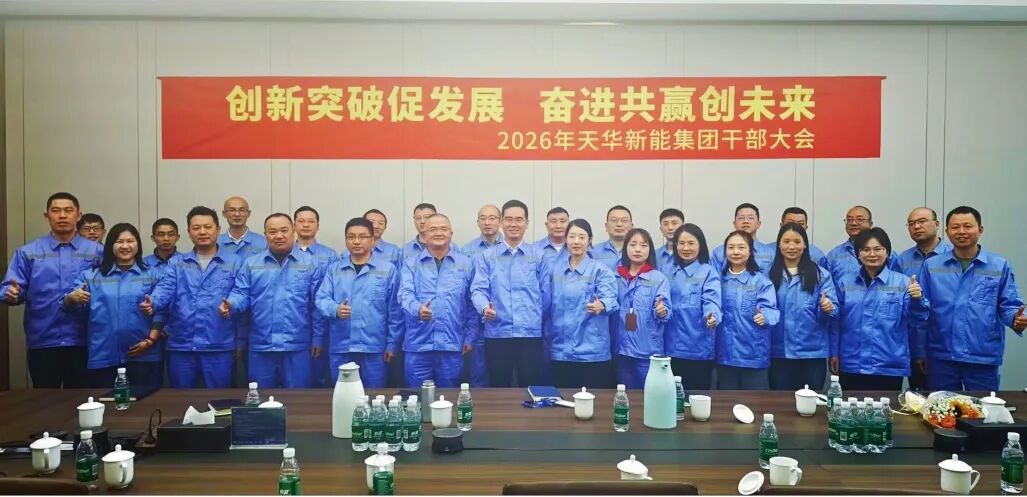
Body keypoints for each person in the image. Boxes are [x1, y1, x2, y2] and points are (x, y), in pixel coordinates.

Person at [917, 206, 1025, 391]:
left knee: (983, 406)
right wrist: (920, 351)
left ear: (980, 230)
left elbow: (1009, 305)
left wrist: (1016, 319)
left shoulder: (998, 266)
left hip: (982, 355)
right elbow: (920, 311)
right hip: (941, 355)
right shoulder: (932, 266)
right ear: (947, 232)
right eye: (955, 227)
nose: (961, 231)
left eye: (967, 226)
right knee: (940, 406)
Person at [2, 192, 102, 388]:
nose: (62, 215)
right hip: (43, 340)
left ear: (78, 215)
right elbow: (12, 287)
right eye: (56, 211)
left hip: (84, 339)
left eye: (68, 210)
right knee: (45, 399)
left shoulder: (96, 252)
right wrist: (11, 294)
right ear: (47, 216)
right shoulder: (28, 252)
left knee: (82, 399)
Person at [221, 213, 326, 388]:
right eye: (272, 232)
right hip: (261, 345)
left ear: (293, 230)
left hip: (298, 346)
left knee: (298, 398)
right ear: (265, 235)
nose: (279, 236)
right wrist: (231, 304)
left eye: (284, 230)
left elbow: (317, 306)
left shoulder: (311, 264)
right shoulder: (252, 264)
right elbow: (241, 293)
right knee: (260, 399)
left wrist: (318, 338)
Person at [145, 206, 242, 388]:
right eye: (196, 228)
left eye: (207, 227)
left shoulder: (235, 262)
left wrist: (232, 303)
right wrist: (154, 302)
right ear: (189, 232)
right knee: (181, 400)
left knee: (219, 400)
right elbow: (165, 288)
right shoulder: (177, 263)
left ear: (218, 229)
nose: (202, 232)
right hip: (181, 345)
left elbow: (241, 292)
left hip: (218, 344)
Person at [64, 223, 163, 389]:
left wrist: (150, 341)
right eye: (119, 242)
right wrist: (71, 299)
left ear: (138, 244)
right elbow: (70, 305)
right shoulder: (91, 276)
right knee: (104, 402)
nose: (125, 246)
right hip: (103, 354)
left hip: (144, 354)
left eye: (130, 241)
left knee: (145, 403)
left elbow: (163, 311)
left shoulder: (153, 274)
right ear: (110, 245)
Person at [831, 227, 928, 391]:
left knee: (886, 406)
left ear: (887, 252)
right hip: (851, 363)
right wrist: (834, 352)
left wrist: (917, 299)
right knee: (850, 406)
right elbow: (836, 321)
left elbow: (917, 318)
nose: (872, 254)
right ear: (858, 254)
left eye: (878, 249)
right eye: (866, 249)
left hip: (888, 364)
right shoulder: (845, 283)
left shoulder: (902, 283)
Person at [471, 200, 551, 388]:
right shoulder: (487, 256)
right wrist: (484, 308)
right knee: (498, 388)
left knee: (531, 387)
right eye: (509, 219)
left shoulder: (538, 255)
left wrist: (534, 317)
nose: (513, 224)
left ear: (526, 223)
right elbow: (478, 289)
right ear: (501, 222)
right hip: (497, 333)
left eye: (519, 220)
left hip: (530, 334)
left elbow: (546, 294)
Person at [316, 218, 402, 387]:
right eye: (351, 237)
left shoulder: (387, 270)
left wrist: (392, 344)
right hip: (341, 346)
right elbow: (321, 298)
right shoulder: (335, 269)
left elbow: (395, 311)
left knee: (374, 395)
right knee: (343, 394)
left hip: (374, 347)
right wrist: (335, 309)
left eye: (362, 237)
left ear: (372, 239)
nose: (356, 241)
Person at [397, 213, 476, 387]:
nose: (438, 233)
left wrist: (470, 337)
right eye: (433, 229)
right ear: (424, 233)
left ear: (451, 233)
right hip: (418, 345)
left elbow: (471, 304)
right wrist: (418, 309)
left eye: (443, 229)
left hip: (452, 345)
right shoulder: (411, 264)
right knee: (417, 398)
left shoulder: (465, 264)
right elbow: (404, 294)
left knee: (449, 397)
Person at [542, 219, 618, 389]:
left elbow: (611, 298)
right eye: (572, 237)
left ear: (589, 240)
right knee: (562, 400)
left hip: (592, 352)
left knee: (594, 400)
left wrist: (602, 304)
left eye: (582, 237)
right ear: (566, 240)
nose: (576, 241)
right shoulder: (554, 270)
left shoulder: (600, 270)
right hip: (559, 350)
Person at [767, 224, 838, 391]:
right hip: (779, 353)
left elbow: (833, 311)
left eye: (797, 241)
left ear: (805, 245)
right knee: (781, 402)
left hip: (812, 353)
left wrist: (827, 308)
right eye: (786, 241)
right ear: (779, 245)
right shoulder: (769, 275)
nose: (792, 246)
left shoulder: (821, 275)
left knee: (812, 402)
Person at [716, 230, 780, 390]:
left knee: (755, 402)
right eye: (731, 247)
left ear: (750, 251)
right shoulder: (718, 280)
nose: (736, 252)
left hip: (753, 355)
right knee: (726, 401)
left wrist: (765, 316)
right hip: (725, 355)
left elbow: (772, 310)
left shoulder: (761, 281)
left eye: (741, 247)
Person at [897, 206, 952, 390]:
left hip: (946, 339)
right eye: (911, 223)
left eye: (922, 221)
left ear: (936, 224)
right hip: (913, 340)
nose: (916, 227)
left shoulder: (952, 255)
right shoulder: (903, 259)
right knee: (919, 397)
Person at [611, 228, 671, 389]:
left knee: (648, 395)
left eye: (643, 245)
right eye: (633, 245)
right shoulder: (615, 276)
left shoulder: (658, 278)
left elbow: (666, 311)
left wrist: (662, 311)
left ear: (650, 250)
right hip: (621, 350)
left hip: (648, 351)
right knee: (625, 395)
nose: (638, 249)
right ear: (626, 248)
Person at [664, 223, 721, 390]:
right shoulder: (668, 270)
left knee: (695, 397)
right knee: (670, 397)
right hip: (669, 347)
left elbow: (712, 300)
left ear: (700, 245)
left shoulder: (708, 271)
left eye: (691, 243)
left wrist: (712, 316)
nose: (686, 248)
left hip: (697, 348)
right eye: (681, 243)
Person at [458, 204, 504, 388]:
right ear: (477, 222)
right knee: (477, 374)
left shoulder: (509, 248)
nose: (487, 222)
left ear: (500, 221)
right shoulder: (466, 250)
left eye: (492, 218)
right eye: (483, 218)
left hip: (502, 321)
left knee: (503, 374)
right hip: (476, 321)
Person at [294, 205, 336, 387]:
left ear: (317, 226)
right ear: (294, 225)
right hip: (294, 325)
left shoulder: (329, 255)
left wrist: (319, 336)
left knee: (320, 378)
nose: (306, 225)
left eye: (310, 221)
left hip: (323, 324)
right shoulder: (286, 253)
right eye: (301, 221)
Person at [826, 205, 899, 284]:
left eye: (860, 219)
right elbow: (828, 286)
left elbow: (897, 281)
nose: (854, 223)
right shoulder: (834, 255)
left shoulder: (887, 254)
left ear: (870, 223)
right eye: (849, 220)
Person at [712, 203, 776, 274]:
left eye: (751, 218)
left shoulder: (769, 252)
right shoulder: (719, 252)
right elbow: (714, 279)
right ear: (734, 224)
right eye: (741, 218)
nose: (746, 221)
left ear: (758, 224)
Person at [592, 205, 634, 269]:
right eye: (614, 220)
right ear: (606, 226)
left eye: (624, 220)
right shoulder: (593, 252)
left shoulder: (639, 252)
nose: (619, 224)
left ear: (631, 226)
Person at [655, 208, 685, 273]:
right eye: (666, 224)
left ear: (683, 227)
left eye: (674, 223)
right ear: (661, 229)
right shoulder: (655, 255)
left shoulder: (690, 253)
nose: (670, 228)